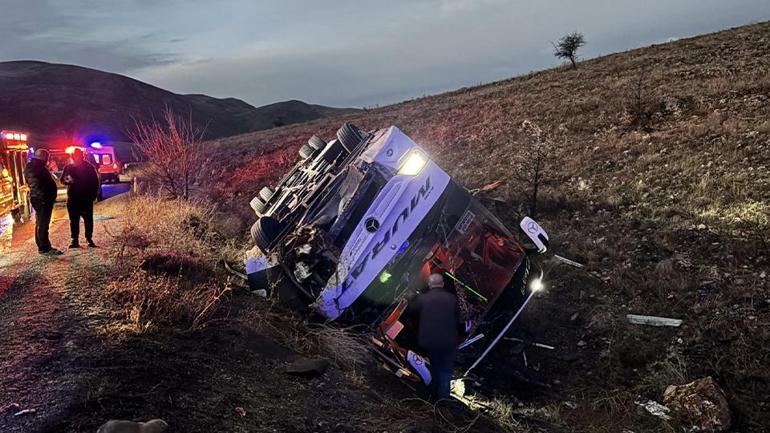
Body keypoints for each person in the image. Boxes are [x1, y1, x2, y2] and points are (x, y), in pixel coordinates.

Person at [408, 273, 464, 400]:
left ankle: (435, 396)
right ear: (442, 285)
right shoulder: (451, 299)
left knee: (436, 366)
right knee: (445, 369)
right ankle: (442, 397)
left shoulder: (424, 298)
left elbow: (412, 310)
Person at [24, 149, 62, 255]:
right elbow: (39, 184)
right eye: (47, 158)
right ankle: (44, 247)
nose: (48, 160)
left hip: (39, 198)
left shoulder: (32, 166)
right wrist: (45, 197)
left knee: (40, 222)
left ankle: (42, 246)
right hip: (42, 199)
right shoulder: (37, 168)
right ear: (43, 158)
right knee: (43, 223)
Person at [61, 148, 100, 248]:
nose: (76, 158)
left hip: (85, 198)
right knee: (74, 220)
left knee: (88, 219)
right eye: (75, 156)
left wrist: (93, 196)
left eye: (78, 156)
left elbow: (95, 182)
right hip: (73, 198)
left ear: (82, 156)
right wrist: (67, 181)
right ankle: (75, 240)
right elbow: (62, 180)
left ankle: (88, 238)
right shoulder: (68, 167)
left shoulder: (89, 167)